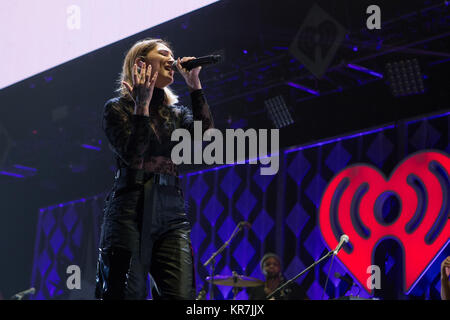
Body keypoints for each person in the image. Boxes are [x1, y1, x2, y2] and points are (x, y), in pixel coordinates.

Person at [95, 38, 214, 300]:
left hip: (171, 212)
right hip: (129, 209)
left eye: (172, 53)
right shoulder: (117, 108)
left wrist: (194, 84)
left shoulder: (176, 113)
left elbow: (204, 132)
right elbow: (134, 157)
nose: (172, 58)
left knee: (182, 295)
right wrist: (141, 107)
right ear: (141, 63)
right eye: (163, 53)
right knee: (126, 293)